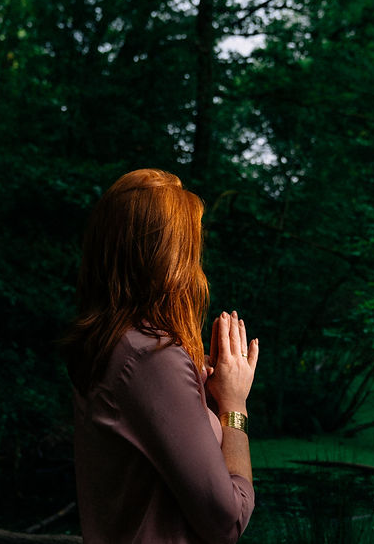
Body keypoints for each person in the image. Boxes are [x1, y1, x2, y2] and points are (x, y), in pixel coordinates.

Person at [62, 169, 259, 543]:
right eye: (191, 250)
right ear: (169, 261)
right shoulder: (150, 358)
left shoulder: (111, 347)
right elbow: (227, 521)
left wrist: (201, 390)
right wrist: (234, 407)